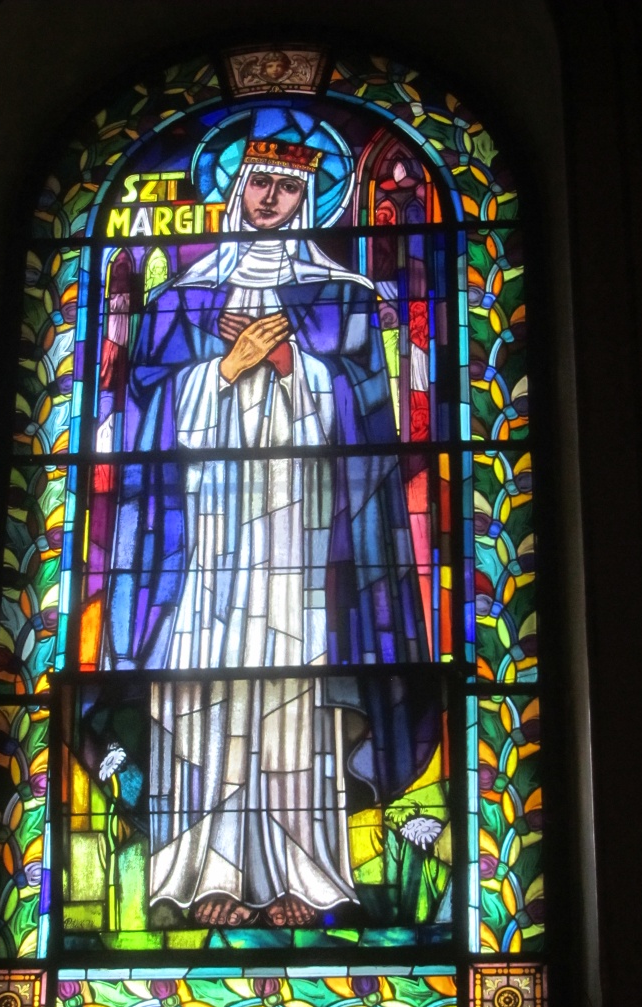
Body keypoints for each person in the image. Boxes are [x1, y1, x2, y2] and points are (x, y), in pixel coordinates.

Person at [107, 129, 433, 928]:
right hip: (205, 536)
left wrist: (292, 369)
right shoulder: (180, 300)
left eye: (287, 189)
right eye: (260, 183)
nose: (271, 200)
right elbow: (142, 419)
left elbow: (368, 420)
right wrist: (223, 370)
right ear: (236, 188)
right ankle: (202, 872)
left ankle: (301, 874)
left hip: (302, 535)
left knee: (295, 686)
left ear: (308, 200)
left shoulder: (343, 296)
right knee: (203, 682)